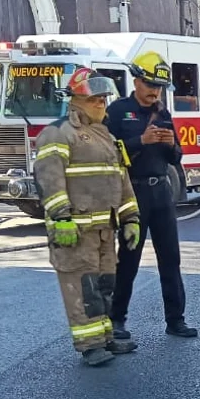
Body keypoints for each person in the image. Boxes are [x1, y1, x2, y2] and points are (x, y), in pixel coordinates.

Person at [33, 68, 141, 367]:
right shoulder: (58, 133)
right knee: (83, 289)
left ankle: (104, 337)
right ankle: (89, 345)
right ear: (75, 100)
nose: (101, 103)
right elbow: (49, 179)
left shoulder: (106, 136)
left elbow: (121, 181)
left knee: (104, 286)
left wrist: (131, 218)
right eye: (94, 99)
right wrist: (61, 218)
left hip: (104, 231)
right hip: (75, 232)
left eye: (103, 98)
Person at [106, 52, 198, 340]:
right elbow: (107, 153)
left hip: (161, 193)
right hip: (132, 193)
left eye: (158, 87)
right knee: (128, 259)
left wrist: (171, 146)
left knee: (170, 259)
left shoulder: (163, 113)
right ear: (136, 81)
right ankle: (116, 319)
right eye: (149, 85)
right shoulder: (118, 111)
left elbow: (176, 157)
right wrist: (140, 141)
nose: (154, 92)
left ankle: (176, 320)